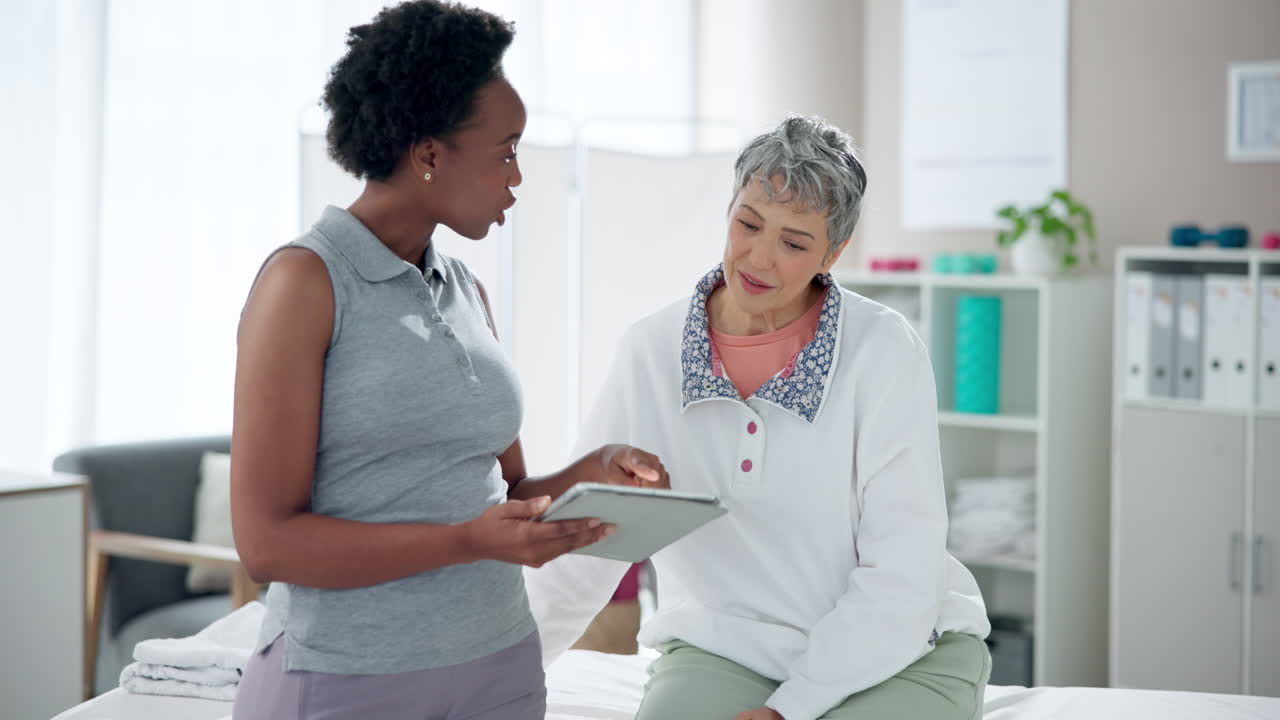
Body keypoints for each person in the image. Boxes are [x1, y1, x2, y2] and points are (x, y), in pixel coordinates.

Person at [229, 3, 667, 718]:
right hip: (351, 678)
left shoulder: (466, 289)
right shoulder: (305, 283)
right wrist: (464, 542)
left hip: (500, 665)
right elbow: (267, 543)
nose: (517, 178)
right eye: (506, 151)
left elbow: (508, 491)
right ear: (429, 154)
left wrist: (595, 471)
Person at [526, 115, 992, 720]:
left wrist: (790, 709)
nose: (758, 258)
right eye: (748, 223)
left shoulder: (884, 351)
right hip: (724, 650)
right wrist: (495, 680)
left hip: (902, 652)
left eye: (794, 243)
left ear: (835, 252)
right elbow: (588, 538)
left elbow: (903, 574)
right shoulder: (651, 349)